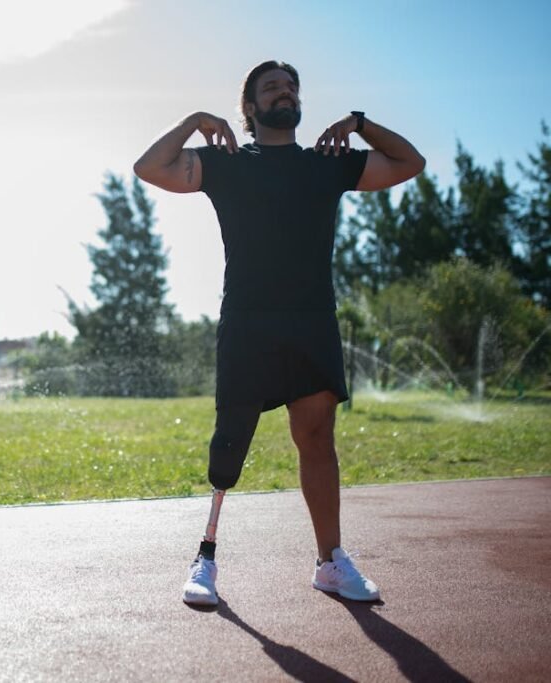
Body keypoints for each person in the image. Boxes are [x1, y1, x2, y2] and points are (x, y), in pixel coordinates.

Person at [133, 60, 425, 606]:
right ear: (250, 107)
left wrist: (359, 123)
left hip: (312, 319)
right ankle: (206, 558)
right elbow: (150, 167)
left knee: (317, 439)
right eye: (270, 87)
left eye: (290, 86)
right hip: (249, 319)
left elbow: (411, 162)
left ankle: (329, 563)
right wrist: (195, 118)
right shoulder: (225, 164)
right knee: (229, 443)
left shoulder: (328, 164)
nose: (283, 92)